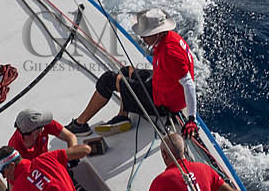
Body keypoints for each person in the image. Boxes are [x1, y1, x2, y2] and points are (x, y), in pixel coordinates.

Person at [67, 9, 199, 138]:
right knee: (126, 71)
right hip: (161, 85)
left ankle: (80, 125)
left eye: (146, 34)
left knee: (108, 80)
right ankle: (123, 116)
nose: (142, 37)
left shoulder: (170, 53)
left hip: (162, 102)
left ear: (157, 33)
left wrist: (191, 119)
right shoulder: (171, 37)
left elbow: (188, 83)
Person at [9, 108, 78, 160]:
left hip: (46, 161)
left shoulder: (43, 124)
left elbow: (70, 136)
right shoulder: (14, 151)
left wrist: (73, 155)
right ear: (35, 132)